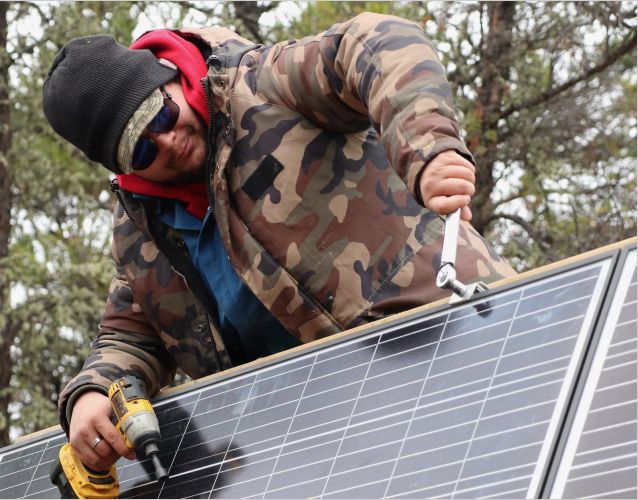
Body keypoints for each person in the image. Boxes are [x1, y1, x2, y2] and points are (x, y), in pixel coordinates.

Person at [42, 12, 515, 471]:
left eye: (160, 114)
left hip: (461, 355)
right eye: (141, 147)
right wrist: (92, 392)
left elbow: (377, 39)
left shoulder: (264, 86)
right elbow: (130, 334)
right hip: (335, 450)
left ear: (169, 77)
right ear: (123, 168)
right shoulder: (140, 234)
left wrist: (428, 147)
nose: (165, 142)